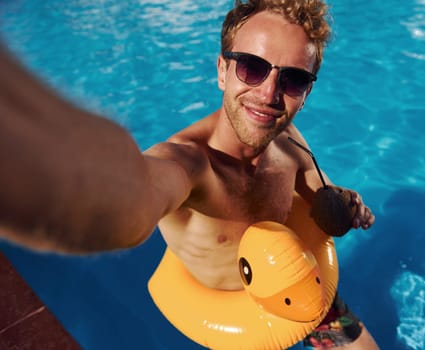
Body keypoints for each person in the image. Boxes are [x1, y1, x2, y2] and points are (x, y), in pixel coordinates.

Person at [0, 0, 379, 348]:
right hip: (227, 316)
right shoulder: (190, 164)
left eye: (293, 79)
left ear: (307, 93)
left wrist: (347, 204)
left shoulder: (291, 143)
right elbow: (137, 189)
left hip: (290, 282)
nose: (269, 94)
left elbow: (321, 194)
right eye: (252, 67)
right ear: (222, 70)